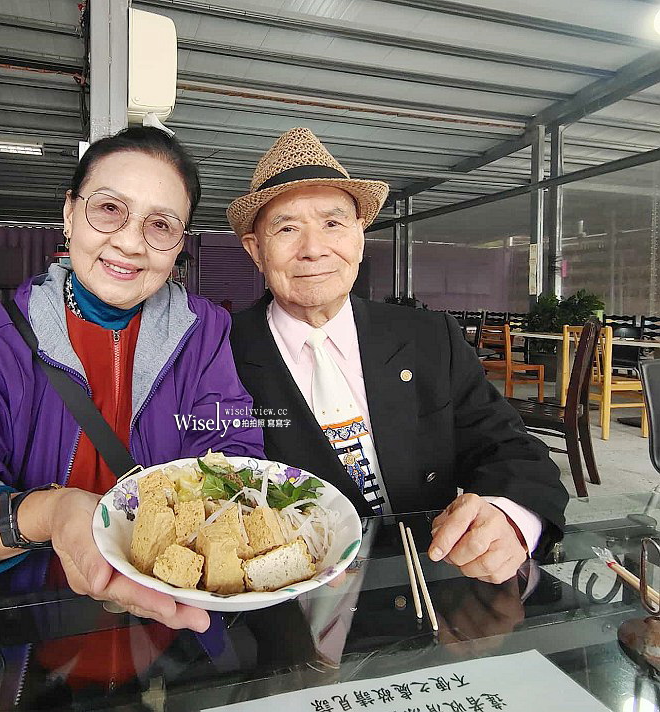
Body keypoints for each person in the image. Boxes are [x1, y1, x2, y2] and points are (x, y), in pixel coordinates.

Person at [0, 126, 264, 632]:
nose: (132, 243)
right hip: (24, 628)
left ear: (179, 243)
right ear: (70, 213)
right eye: (109, 209)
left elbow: (231, 448)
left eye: (160, 224)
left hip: (171, 623)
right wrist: (51, 514)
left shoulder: (205, 332)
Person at [227, 128, 568, 585]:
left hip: (431, 584)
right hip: (289, 607)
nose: (313, 249)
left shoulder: (428, 337)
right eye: (287, 228)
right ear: (255, 250)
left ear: (359, 237)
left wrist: (510, 519)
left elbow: (510, 446)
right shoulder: (220, 353)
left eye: (333, 223)